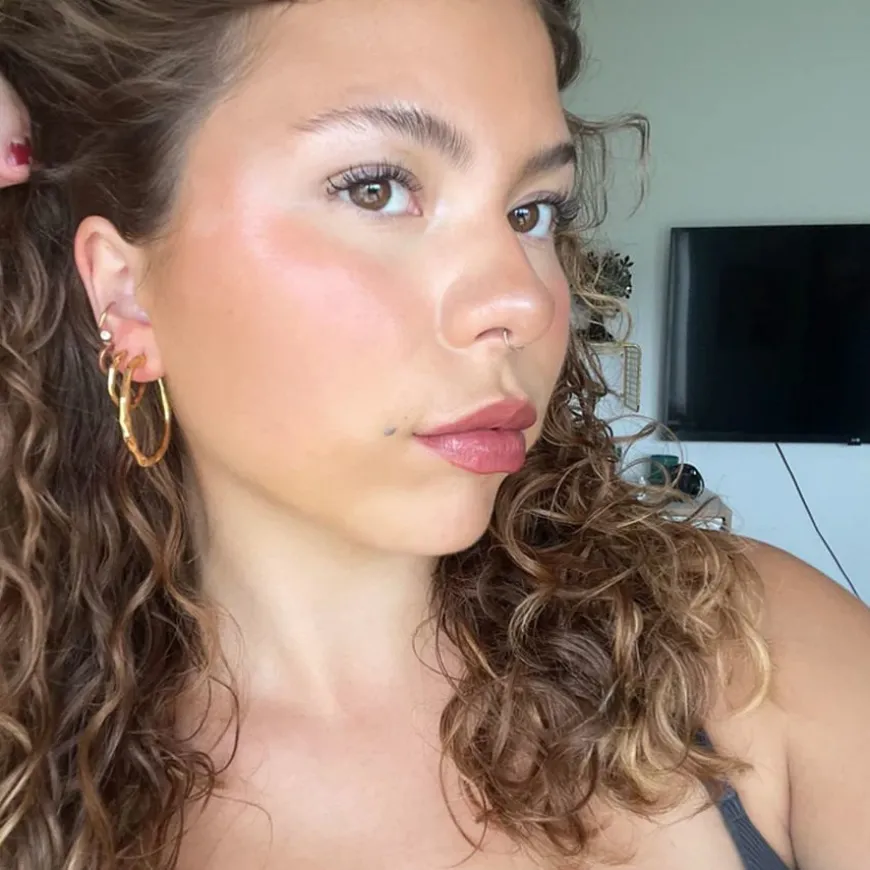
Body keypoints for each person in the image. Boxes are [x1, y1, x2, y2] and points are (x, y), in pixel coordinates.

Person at [0, 1, 867, 868]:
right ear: (126, 294)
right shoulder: (27, 773)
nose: (523, 302)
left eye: (532, 212)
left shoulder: (753, 651)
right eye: (375, 188)